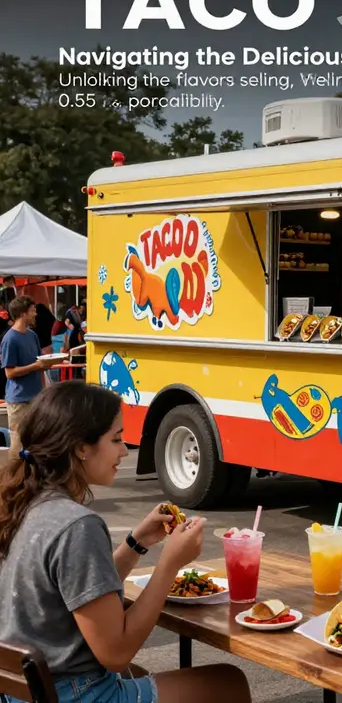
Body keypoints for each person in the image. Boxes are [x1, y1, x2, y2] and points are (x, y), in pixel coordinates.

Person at [0, 381, 252, 703]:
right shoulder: (76, 526)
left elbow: (81, 595)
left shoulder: (22, 506)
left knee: (145, 675)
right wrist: (170, 563)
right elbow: (115, 653)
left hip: (22, 693)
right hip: (76, 693)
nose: (124, 450)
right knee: (227, 682)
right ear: (80, 447)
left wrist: (137, 542)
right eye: (116, 438)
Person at [0, 296, 45, 454]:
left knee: (36, 442)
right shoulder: (10, 340)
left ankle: (30, 476)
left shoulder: (32, 335)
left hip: (35, 398)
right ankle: (13, 477)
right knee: (18, 445)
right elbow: (10, 373)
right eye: (32, 311)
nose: (35, 314)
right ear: (22, 313)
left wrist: (44, 390)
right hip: (19, 401)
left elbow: (40, 363)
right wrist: (35, 366)